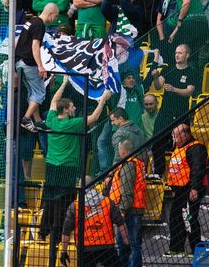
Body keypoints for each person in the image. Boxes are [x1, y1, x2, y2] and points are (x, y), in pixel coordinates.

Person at [42, 77, 112, 267]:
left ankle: (46, 233)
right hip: (66, 168)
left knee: (50, 200)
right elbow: (94, 118)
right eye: (72, 106)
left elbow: (54, 101)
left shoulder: (52, 119)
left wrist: (64, 83)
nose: (74, 109)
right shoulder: (70, 124)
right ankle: (62, 234)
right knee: (65, 204)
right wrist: (103, 100)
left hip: (51, 167)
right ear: (66, 110)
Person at [150, 44, 199, 177]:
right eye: (176, 52)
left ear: (187, 55)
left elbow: (189, 91)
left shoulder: (191, 72)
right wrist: (155, 77)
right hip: (165, 111)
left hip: (181, 113)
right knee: (156, 142)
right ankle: (158, 173)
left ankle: (184, 173)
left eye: (180, 53)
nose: (177, 55)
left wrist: (174, 89)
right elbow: (158, 85)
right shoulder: (169, 69)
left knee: (182, 143)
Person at [15, 3, 59, 132]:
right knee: (40, 92)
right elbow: (35, 46)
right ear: (51, 14)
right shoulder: (40, 24)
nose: (55, 19)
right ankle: (27, 119)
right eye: (55, 16)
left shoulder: (31, 21)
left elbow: (18, 41)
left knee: (33, 92)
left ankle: (38, 121)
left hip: (19, 62)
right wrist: (41, 66)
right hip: (29, 63)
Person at [165, 124, 208, 256]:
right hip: (180, 190)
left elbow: (197, 169)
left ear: (186, 135)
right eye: (174, 135)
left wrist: (195, 188)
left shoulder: (196, 147)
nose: (175, 138)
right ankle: (176, 248)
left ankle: (196, 249)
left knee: (189, 218)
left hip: (190, 189)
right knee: (175, 218)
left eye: (177, 135)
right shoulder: (178, 147)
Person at [60, 187, 130, 267]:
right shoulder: (108, 202)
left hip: (85, 247)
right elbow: (121, 224)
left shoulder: (75, 206)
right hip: (106, 246)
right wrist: (127, 243)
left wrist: (64, 251)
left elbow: (66, 231)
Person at [106, 138, 145, 267]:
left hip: (129, 211)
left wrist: (122, 211)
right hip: (131, 210)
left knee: (131, 244)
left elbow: (127, 192)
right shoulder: (132, 163)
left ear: (122, 152)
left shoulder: (128, 165)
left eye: (119, 149)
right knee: (128, 244)